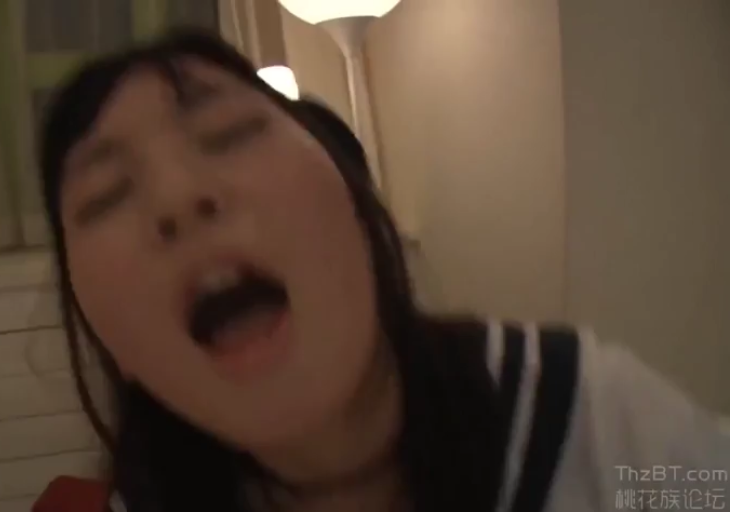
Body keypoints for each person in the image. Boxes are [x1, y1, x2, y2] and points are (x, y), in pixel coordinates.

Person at [38, 28, 728, 512]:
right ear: (113, 345)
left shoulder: (597, 430)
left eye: (229, 133)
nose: (177, 197)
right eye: (106, 197)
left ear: (357, 207)